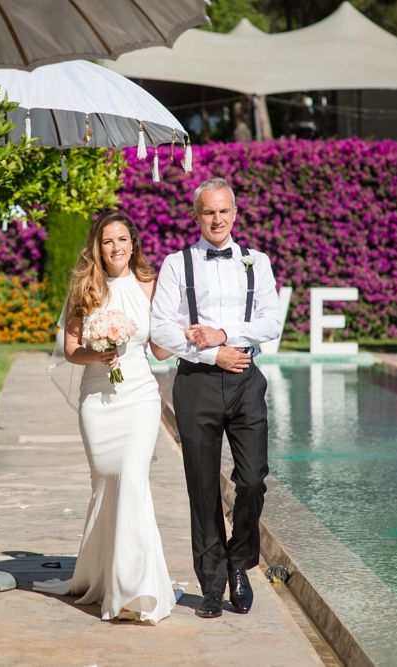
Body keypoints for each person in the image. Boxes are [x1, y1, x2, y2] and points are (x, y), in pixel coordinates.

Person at [33, 211, 176, 624]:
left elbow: (161, 347)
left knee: (132, 478)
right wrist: (98, 353)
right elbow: (71, 348)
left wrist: (190, 334)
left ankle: (135, 589)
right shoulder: (86, 288)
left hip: (140, 396)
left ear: (133, 242)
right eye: (108, 241)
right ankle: (101, 575)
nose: (117, 248)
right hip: (98, 400)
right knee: (107, 483)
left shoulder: (151, 285)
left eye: (123, 239)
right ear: (98, 247)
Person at [151, 177, 282, 619]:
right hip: (196, 382)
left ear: (235, 214)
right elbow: (162, 329)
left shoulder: (256, 261)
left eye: (224, 211)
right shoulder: (176, 264)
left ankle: (240, 562)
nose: (217, 219)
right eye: (209, 212)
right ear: (196, 217)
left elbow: (270, 322)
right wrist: (211, 352)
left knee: (251, 479)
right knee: (202, 486)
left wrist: (226, 336)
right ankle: (211, 584)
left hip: (246, 378)